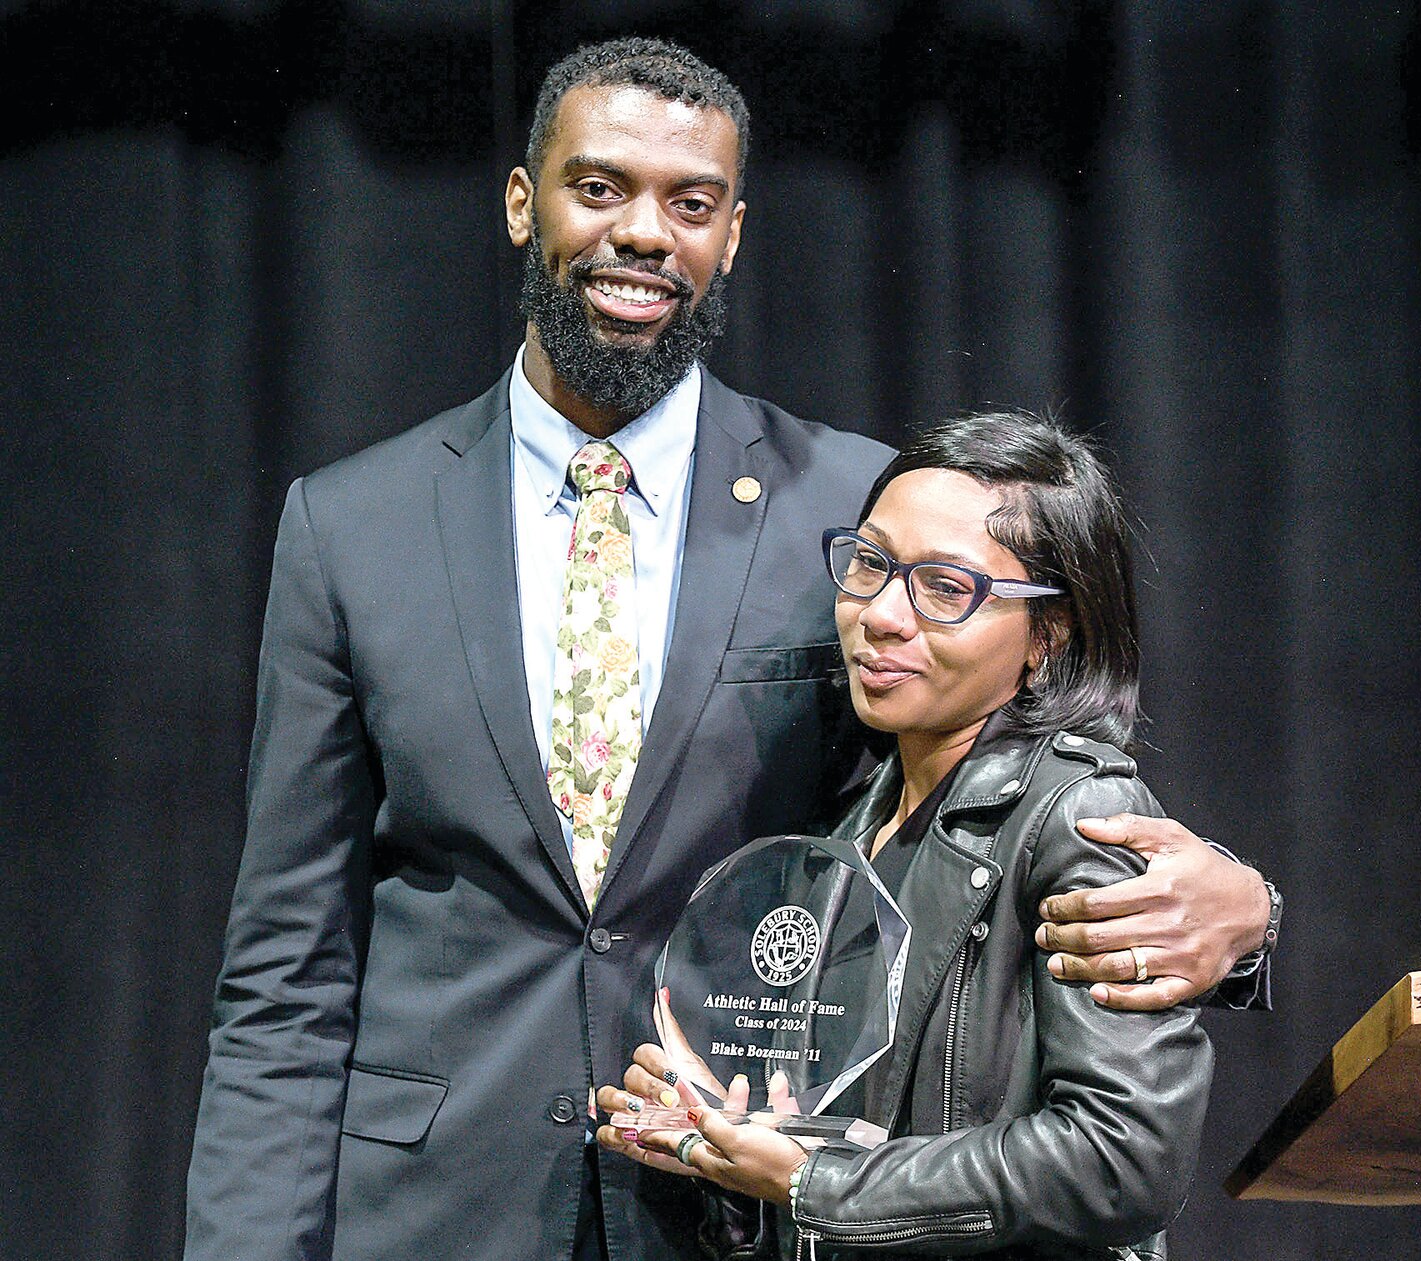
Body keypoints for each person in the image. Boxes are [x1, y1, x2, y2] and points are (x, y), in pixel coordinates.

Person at [183, 38, 1274, 1261]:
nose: (645, 233)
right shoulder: (350, 526)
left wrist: (1249, 912)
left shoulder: (862, 512)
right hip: (434, 1212)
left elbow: (999, 795)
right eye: (599, 187)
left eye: (689, 204)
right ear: (518, 201)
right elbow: (287, 969)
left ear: (733, 235)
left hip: (730, 1211)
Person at [599, 413, 1216, 1259]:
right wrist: (718, 1138)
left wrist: (813, 1182)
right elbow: (831, 1144)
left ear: (1051, 631)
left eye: (946, 588)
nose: (882, 614)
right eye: (871, 563)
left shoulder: (1079, 815)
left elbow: (1123, 1158)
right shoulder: (841, 839)